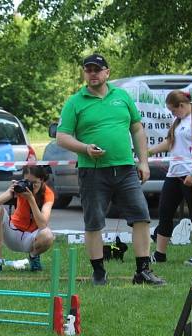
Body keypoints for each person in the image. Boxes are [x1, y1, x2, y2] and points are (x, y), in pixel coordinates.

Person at [56, 53, 164, 286]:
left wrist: (143, 162)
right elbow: (62, 137)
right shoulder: (75, 101)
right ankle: (98, 272)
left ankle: (143, 271)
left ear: (107, 72)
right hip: (92, 171)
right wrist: (85, 148)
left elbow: (137, 130)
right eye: (88, 70)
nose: (93, 73)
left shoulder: (122, 96)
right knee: (94, 222)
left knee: (142, 217)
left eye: (97, 69)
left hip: (125, 169)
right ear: (85, 74)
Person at [148, 90, 192, 265]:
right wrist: (148, 152)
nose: (172, 113)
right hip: (174, 172)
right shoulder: (178, 121)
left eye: (173, 110)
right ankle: (160, 254)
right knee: (165, 210)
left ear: (182, 105)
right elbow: (170, 143)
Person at [0, 164, 55, 272]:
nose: (31, 187)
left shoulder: (48, 193)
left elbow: (43, 225)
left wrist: (31, 199)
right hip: (13, 233)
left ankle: (33, 256)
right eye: (28, 182)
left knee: (48, 235)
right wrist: (9, 193)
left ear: (42, 180)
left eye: (34, 183)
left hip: (32, 238)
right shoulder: (20, 188)